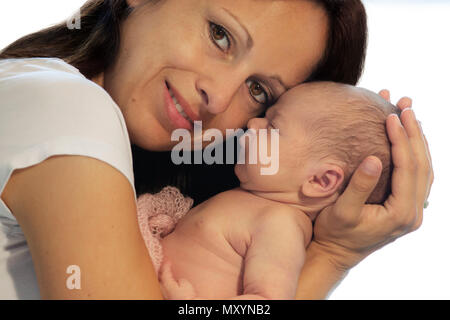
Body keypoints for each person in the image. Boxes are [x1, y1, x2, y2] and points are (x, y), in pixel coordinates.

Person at [0, 0, 432, 299]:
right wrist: (334, 257)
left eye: (259, 90)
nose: (219, 97)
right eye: (220, 35)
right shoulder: (72, 108)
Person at [137, 82, 402, 299]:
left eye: (272, 126)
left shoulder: (280, 226)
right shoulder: (256, 202)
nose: (253, 125)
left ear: (320, 181)